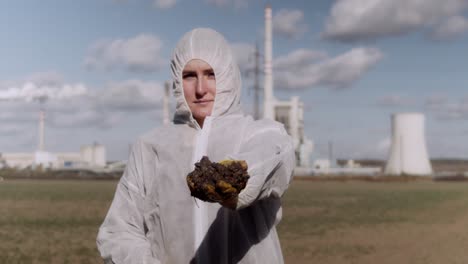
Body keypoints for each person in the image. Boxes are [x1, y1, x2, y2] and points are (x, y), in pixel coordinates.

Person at [96, 28, 295, 264]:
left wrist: (237, 180)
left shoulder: (260, 134)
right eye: (190, 75)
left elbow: (272, 157)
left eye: (211, 74)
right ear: (177, 81)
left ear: (228, 74)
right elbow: (119, 231)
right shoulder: (150, 147)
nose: (201, 89)